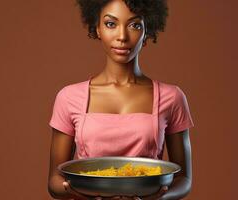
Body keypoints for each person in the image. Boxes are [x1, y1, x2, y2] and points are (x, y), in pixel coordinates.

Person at [47, 0, 194, 199]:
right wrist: (78, 194)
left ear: (146, 31)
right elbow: (54, 180)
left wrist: (157, 198)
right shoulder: (69, 97)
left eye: (134, 25)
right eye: (111, 24)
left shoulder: (173, 97)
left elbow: (184, 178)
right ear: (97, 28)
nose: (122, 36)